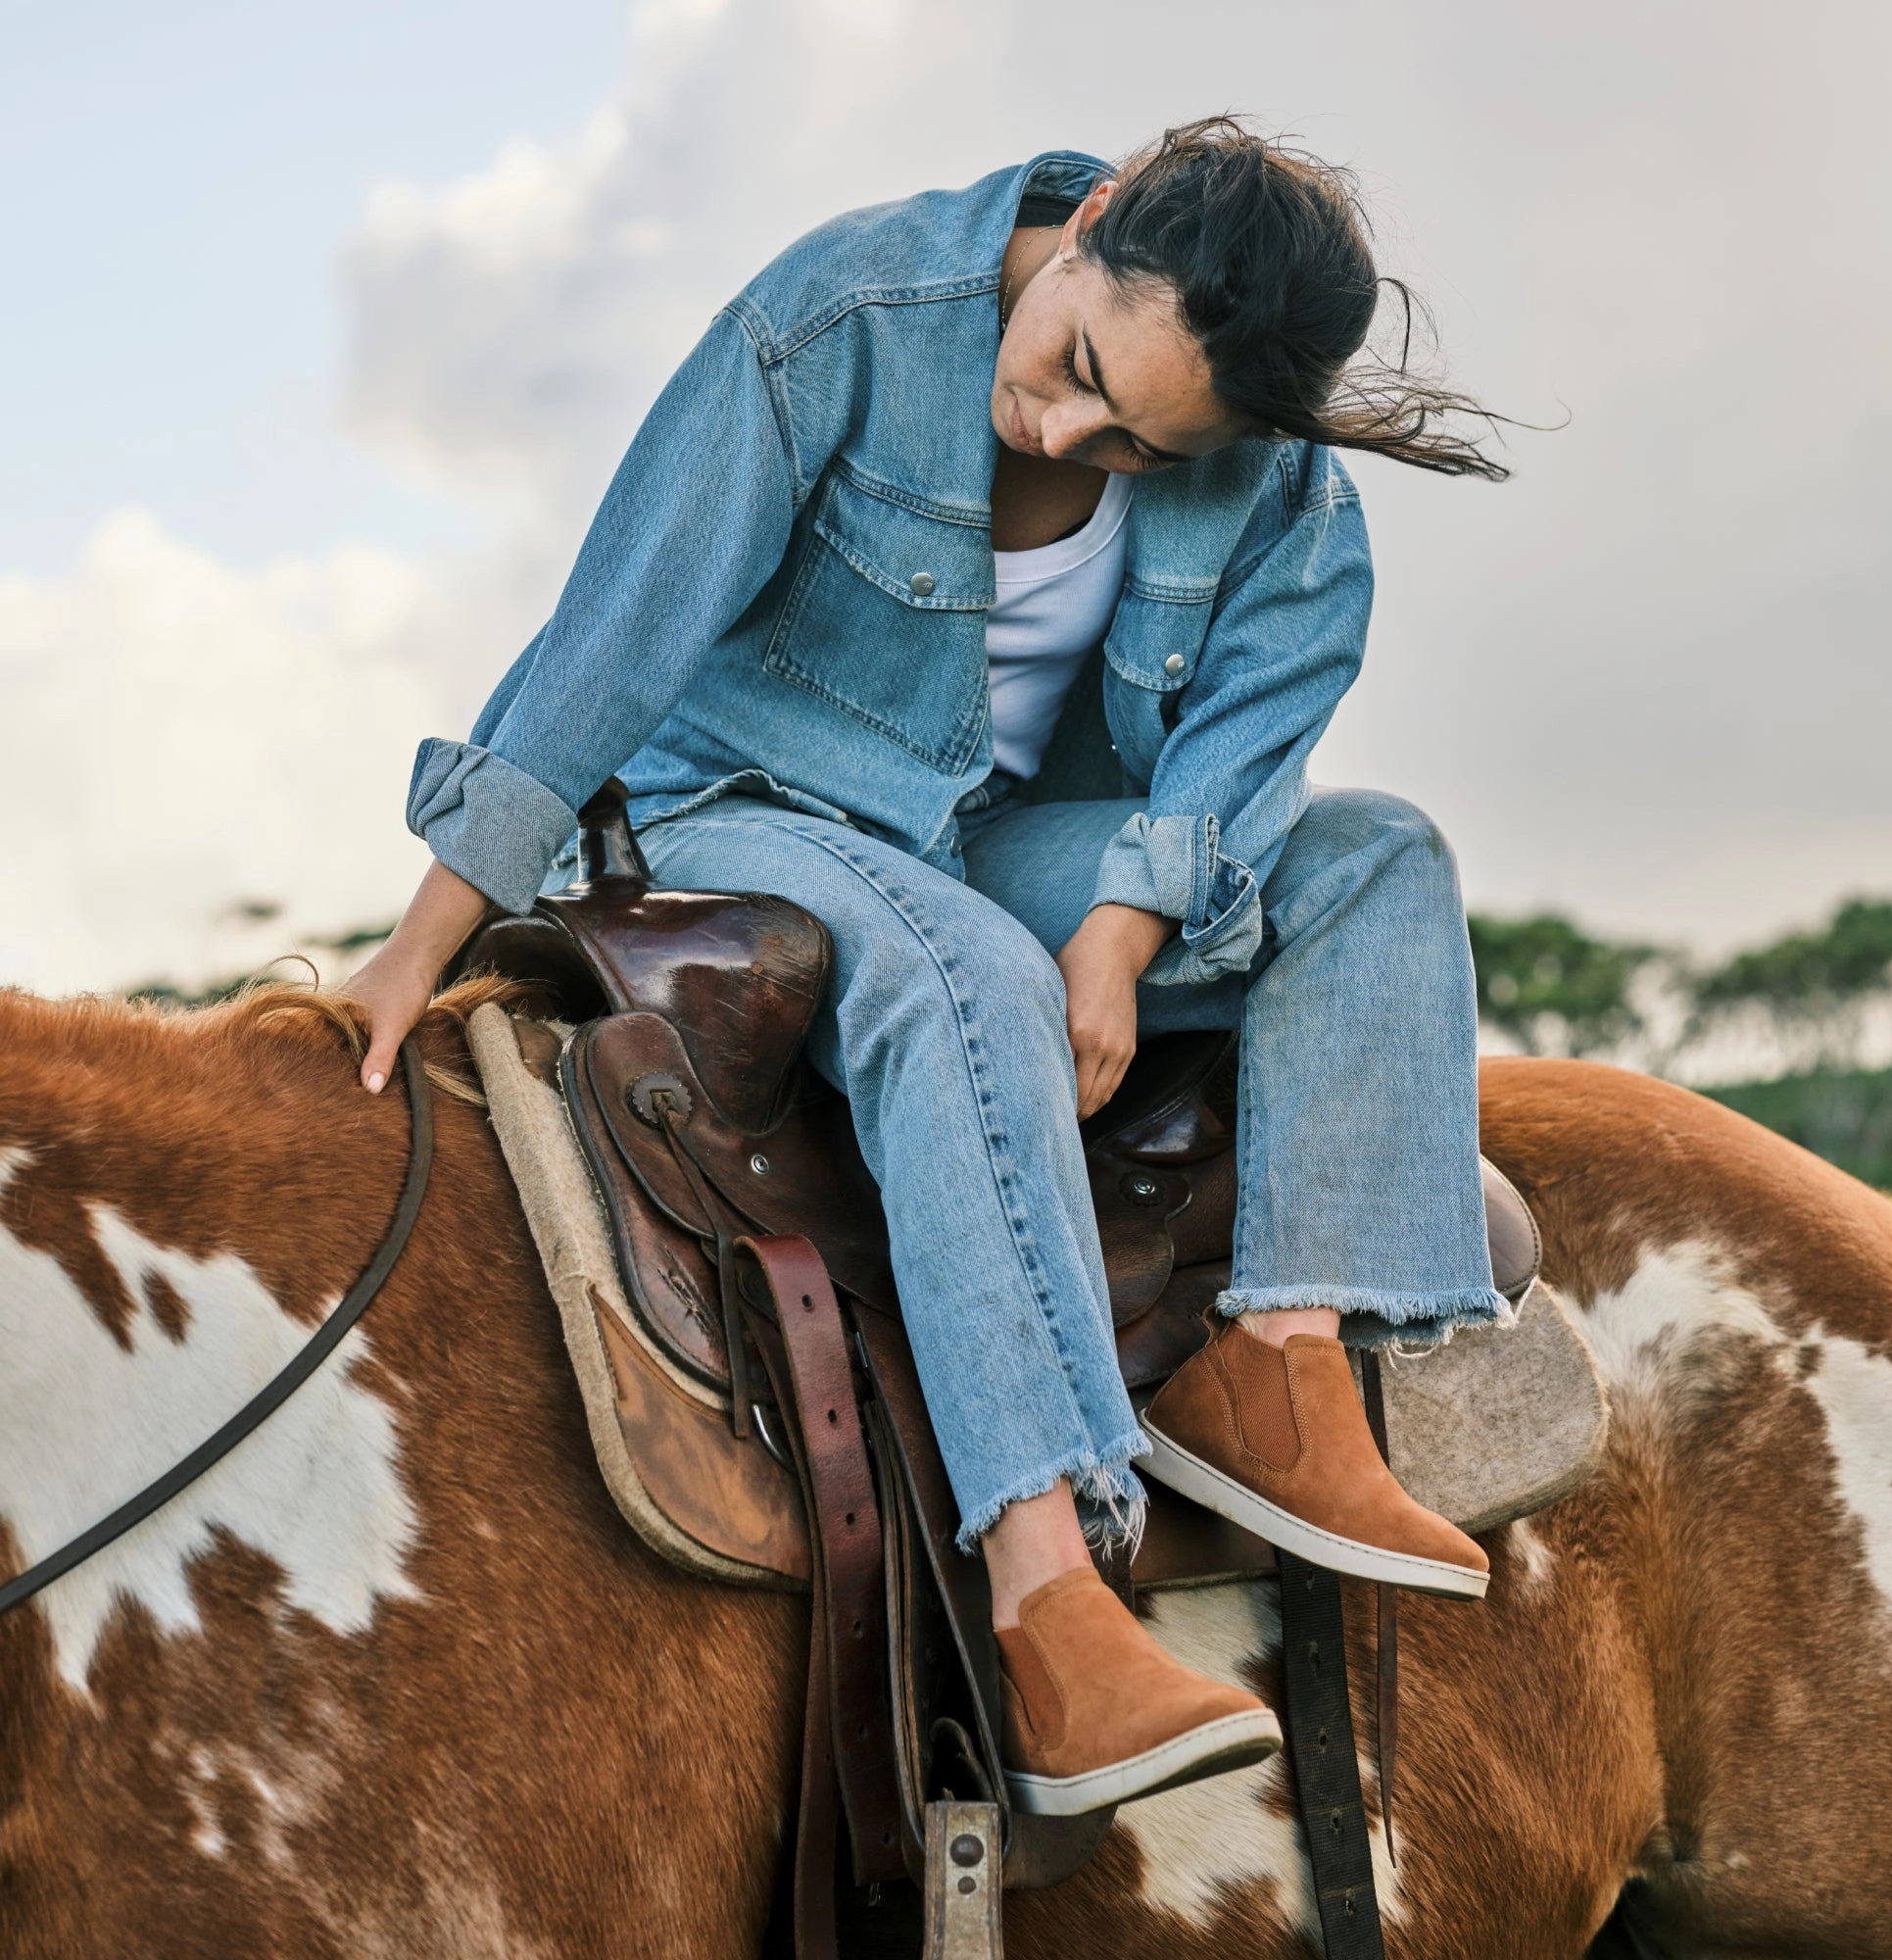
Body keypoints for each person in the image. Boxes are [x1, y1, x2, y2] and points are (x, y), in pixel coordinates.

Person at [348, 117, 1512, 1818]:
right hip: (742, 802)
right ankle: (1051, 1593)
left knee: (1380, 856)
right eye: (1073, 369)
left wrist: (1120, 931)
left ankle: (1280, 1360)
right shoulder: (845, 317)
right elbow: (614, 633)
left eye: (1131, 446)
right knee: (964, 976)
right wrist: (421, 935)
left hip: (1001, 839)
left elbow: (1260, 722)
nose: (1067, 429)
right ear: (1097, 220)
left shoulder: (1262, 462)